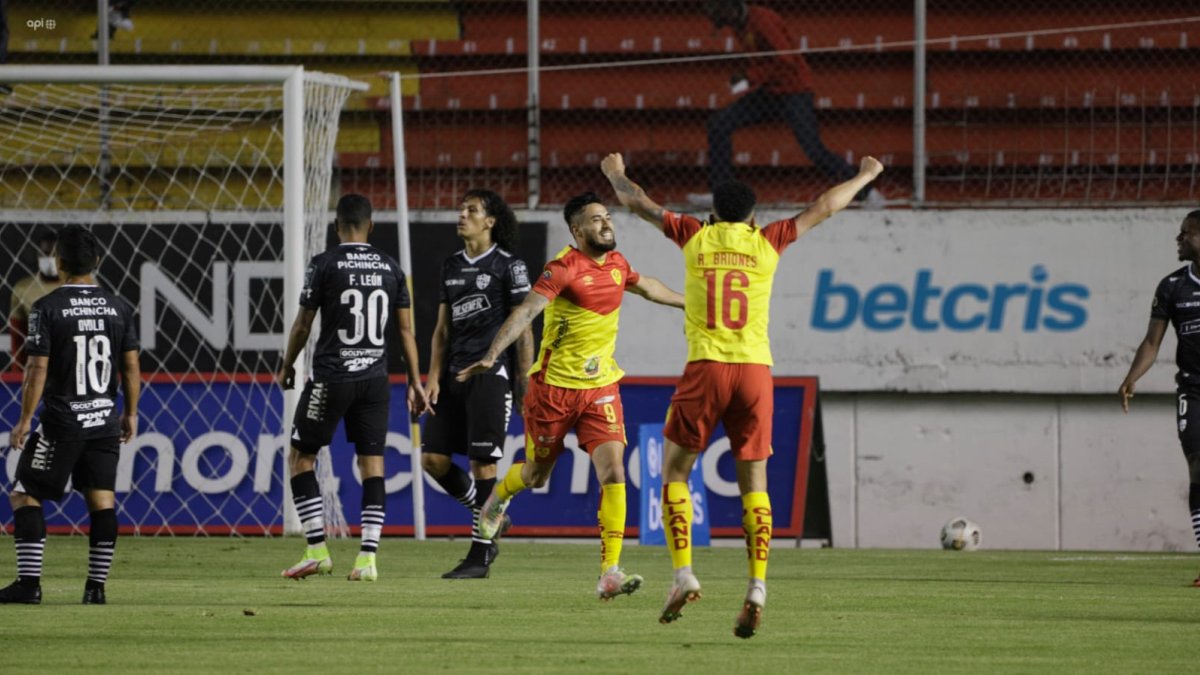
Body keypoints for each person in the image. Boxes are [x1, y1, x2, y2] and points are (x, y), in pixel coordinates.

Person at [602, 151, 883, 637]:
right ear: (753, 217)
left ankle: (684, 572)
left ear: (714, 215)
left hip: (706, 367)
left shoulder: (695, 233)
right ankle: (756, 585)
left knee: (674, 471)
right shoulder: (769, 240)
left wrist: (614, 174)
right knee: (755, 483)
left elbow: (640, 205)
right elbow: (824, 206)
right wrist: (866, 175)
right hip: (755, 371)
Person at [458, 192, 685, 600]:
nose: (606, 224)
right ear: (577, 230)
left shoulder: (617, 264)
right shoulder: (563, 268)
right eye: (597, 220)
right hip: (553, 391)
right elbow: (526, 311)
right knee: (536, 475)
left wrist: (692, 304)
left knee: (614, 471)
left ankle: (610, 572)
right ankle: (499, 496)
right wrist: (492, 355)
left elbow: (648, 286)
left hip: (600, 389)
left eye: (608, 217)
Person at [277, 194, 428, 582]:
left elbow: (303, 323)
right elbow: (406, 331)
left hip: (332, 377)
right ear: (371, 226)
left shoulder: (324, 264)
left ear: (336, 225)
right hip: (376, 381)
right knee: (372, 464)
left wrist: (288, 363)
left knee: (300, 458)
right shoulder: (392, 268)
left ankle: (316, 550)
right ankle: (367, 559)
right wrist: (415, 381)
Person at [3, 224, 140, 605]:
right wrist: (130, 413)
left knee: (24, 494)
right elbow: (130, 367)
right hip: (104, 419)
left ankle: (29, 585)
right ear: (97, 260)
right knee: (102, 501)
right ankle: (95, 589)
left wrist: (26, 418)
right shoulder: (119, 306)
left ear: (59, 263)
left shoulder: (47, 308)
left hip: (63, 421)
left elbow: (36, 369)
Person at [422, 189, 533, 579]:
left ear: (490, 222)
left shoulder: (509, 266)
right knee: (432, 461)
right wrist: (432, 376)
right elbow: (441, 329)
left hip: (490, 377)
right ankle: (491, 514)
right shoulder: (451, 265)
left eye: (472, 210)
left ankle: (480, 556)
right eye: (461, 208)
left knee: (483, 464)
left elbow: (523, 328)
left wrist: (524, 382)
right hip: (452, 376)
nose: (462, 214)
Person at [690, 0, 884, 209]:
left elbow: (785, 60)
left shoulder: (762, 21)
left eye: (716, 11)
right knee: (719, 125)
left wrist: (750, 76)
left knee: (813, 149)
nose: (714, 17)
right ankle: (720, 196)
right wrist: (751, 77)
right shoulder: (739, 25)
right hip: (770, 92)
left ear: (731, 7)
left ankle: (867, 193)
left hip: (794, 93)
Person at [1119, 209, 1200, 585]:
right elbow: (1152, 343)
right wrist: (1131, 378)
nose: (1178, 239)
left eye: (1185, 234)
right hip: (1194, 390)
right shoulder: (1171, 286)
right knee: (1198, 467)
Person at [9, 230, 63, 372]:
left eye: (54, 254)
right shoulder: (23, 288)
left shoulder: (81, 285)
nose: (49, 258)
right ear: (38, 255)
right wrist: (18, 371)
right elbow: (17, 335)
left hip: (72, 364)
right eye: (45, 253)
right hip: (37, 366)